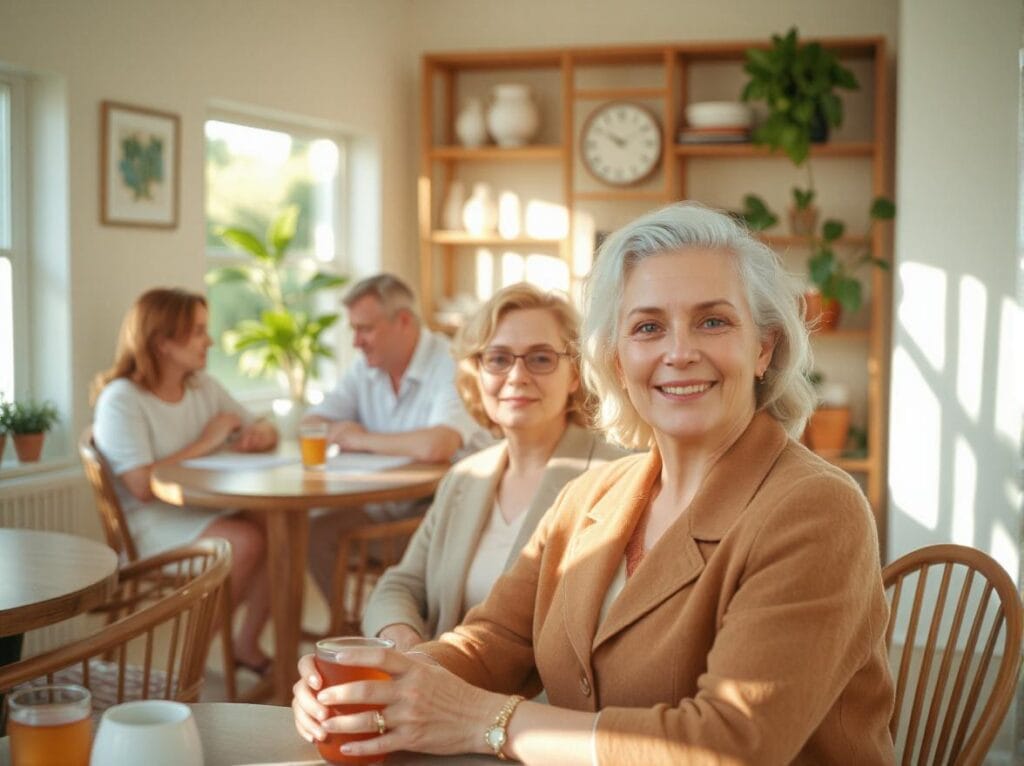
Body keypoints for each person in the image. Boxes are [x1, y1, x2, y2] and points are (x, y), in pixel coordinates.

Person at [291, 203, 896, 765]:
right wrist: (379, 684)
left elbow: (731, 744)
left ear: (764, 348)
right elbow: (494, 638)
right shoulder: (590, 495)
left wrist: (488, 721)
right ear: (615, 361)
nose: (679, 352)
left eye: (712, 321)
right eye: (648, 327)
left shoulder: (816, 508)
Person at [361, 283, 626, 651]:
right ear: (477, 373)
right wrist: (405, 642)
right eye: (499, 359)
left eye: (541, 358)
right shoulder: (465, 476)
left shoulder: (615, 476)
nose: (517, 376)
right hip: (435, 680)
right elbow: (400, 584)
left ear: (575, 374)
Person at [92, 287, 277, 673]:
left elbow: (262, 424)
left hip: (197, 511)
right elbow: (141, 486)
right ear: (162, 342)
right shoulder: (121, 399)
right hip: (149, 525)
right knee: (244, 541)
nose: (208, 340)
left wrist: (259, 433)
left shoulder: (201, 386)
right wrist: (205, 442)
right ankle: (188, 665)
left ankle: (245, 644)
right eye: (197, 331)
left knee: (278, 527)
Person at [302, 273, 490, 598]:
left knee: (335, 535)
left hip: (444, 513)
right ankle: (355, 631)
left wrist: (360, 438)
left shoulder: (451, 364)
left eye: (365, 329)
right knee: (314, 533)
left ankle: (394, 626)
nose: (356, 342)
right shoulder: (367, 366)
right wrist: (340, 431)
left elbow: (438, 444)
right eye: (354, 330)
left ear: (403, 321)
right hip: (387, 507)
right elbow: (312, 422)